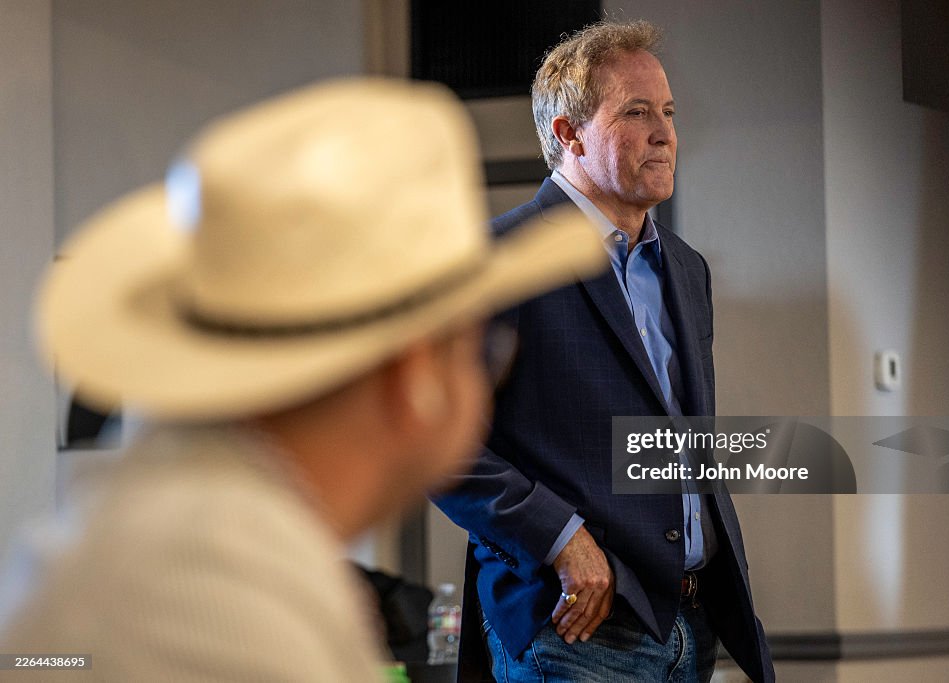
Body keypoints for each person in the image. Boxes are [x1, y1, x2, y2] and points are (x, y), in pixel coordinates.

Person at [0, 78, 605, 681]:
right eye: (485, 353)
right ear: (417, 371)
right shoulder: (224, 608)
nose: (483, 384)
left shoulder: (197, 539)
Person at [434, 20, 773, 683]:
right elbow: (436, 443)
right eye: (637, 112)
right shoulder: (495, 260)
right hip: (572, 630)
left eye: (668, 113)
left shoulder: (686, 269)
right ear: (568, 134)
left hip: (691, 627)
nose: (666, 132)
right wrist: (562, 538)